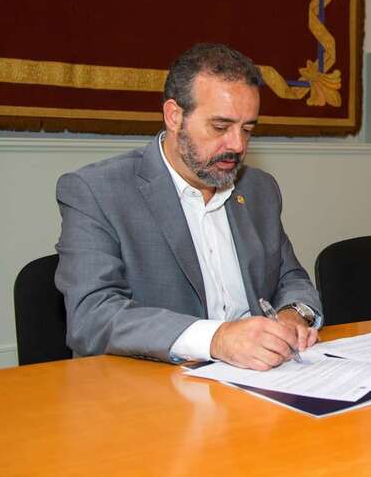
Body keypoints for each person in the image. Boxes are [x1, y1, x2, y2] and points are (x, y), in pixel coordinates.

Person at [55, 43, 321, 370]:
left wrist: (293, 315)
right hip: (152, 385)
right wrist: (216, 339)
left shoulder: (259, 189)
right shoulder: (97, 191)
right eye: (220, 127)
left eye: (248, 129)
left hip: (262, 378)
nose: (237, 145)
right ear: (174, 116)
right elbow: (92, 315)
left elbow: (291, 278)